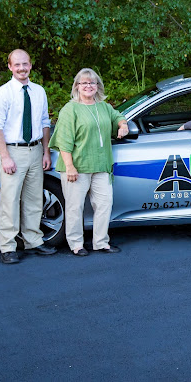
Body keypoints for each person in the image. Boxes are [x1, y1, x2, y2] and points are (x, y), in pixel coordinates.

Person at [0, 49, 57, 264]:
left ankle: (33, 239)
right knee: (9, 200)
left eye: (25, 64)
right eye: (17, 65)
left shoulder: (39, 91)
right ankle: (7, 246)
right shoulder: (2, 94)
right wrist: (4, 156)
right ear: (10, 67)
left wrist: (45, 151)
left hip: (35, 150)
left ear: (30, 65)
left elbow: (45, 122)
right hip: (13, 151)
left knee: (34, 199)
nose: (21, 68)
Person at [49, 69, 129, 256]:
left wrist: (122, 124)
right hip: (77, 167)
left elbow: (117, 115)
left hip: (101, 166)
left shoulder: (103, 106)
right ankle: (76, 244)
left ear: (98, 86)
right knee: (74, 207)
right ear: (77, 86)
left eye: (92, 83)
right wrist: (69, 166)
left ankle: (100, 242)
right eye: (84, 83)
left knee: (104, 204)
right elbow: (64, 140)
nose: (88, 86)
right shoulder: (70, 109)